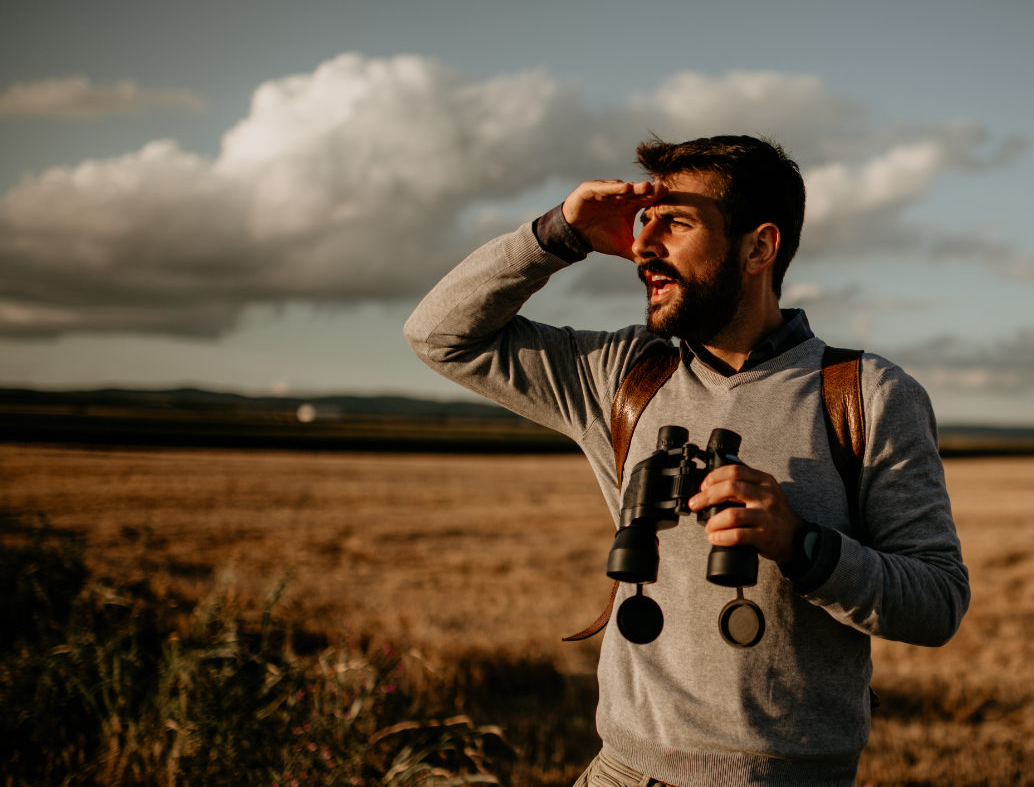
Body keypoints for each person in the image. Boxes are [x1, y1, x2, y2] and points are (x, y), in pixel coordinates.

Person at [405, 134, 969, 787]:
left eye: (673, 222)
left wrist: (803, 545)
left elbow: (937, 602)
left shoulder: (866, 395)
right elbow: (438, 334)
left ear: (759, 247)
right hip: (621, 773)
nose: (644, 246)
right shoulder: (622, 374)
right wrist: (562, 233)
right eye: (644, 222)